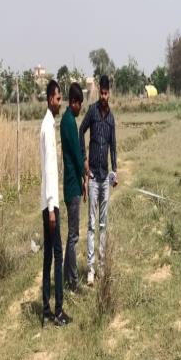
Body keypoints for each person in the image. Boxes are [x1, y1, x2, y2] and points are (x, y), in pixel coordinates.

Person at [79, 74, 118, 286]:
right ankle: (90, 269)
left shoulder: (111, 119)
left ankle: (101, 268)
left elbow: (113, 148)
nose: (104, 96)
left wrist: (115, 171)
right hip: (93, 177)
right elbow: (81, 131)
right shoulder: (92, 111)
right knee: (92, 225)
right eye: (101, 93)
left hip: (105, 179)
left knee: (103, 224)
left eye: (106, 93)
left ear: (109, 93)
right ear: (99, 93)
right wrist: (84, 160)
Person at [40, 79, 71, 327]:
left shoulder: (46, 124)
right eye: (59, 98)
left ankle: (46, 308)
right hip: (50, 204)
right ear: (51, 99)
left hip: (46, 201)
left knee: (48, 256)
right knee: (57, 255)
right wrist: (52, 208)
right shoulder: (48, 128)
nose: (61, 103)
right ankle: (58, 310)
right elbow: (50, 169)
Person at [60, 82, 86, 291]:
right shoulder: (69, 122)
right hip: (72, 185)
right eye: (80, 104)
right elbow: (77, 156)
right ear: (74, 102)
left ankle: (66, 277)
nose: (81, 109)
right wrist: (85, 176)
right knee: (73, 236)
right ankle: (73, 281)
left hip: (71, 183)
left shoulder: (67, 120)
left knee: (71, 234)